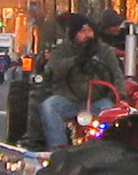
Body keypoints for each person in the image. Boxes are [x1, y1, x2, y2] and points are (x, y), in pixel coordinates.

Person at [39, 14, 123, 150]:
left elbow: (116, 73)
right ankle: (58, 148)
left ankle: (104, 148)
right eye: (83, 31)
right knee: (49, 106)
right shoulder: (62, 50)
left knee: (109, 112)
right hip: (69, 99)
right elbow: (55, 68)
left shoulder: (104, 51)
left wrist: (120, 95)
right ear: (74, 34)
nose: (88, 35)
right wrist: (76, 61)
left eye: (90, 31)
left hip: (97, 100)